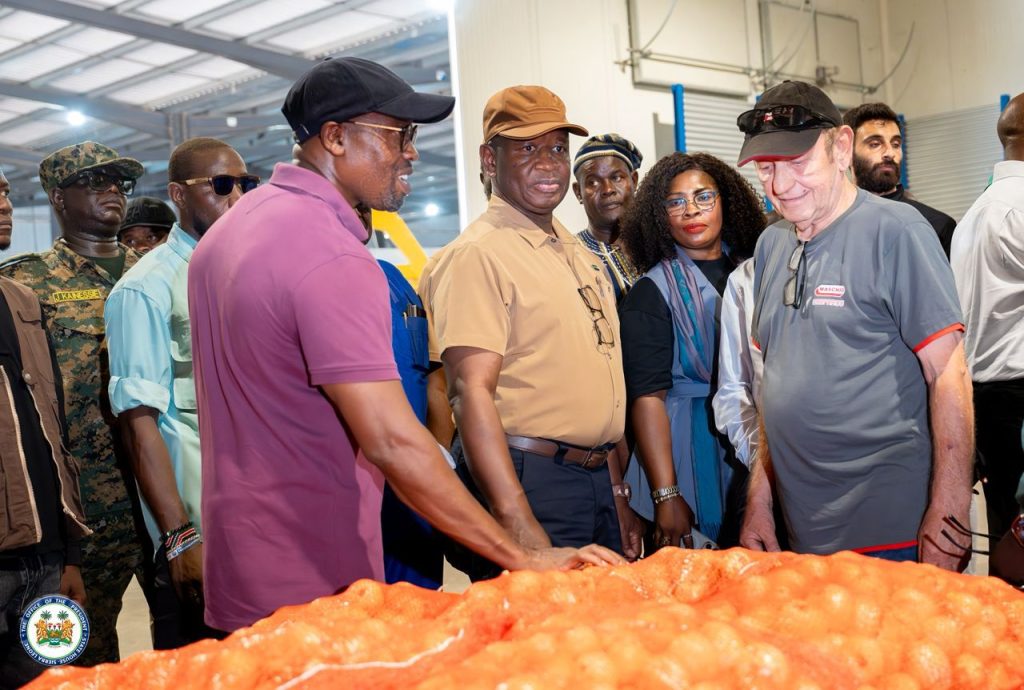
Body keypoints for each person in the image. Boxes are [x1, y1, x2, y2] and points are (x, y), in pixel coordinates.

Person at [187, 58, 621, 632]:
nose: (412, 153)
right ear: (335, 138)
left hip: (245, 564)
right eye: (400, 135)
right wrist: (521, 552)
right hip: (316, 576)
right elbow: (392, 439)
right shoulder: (331, 255)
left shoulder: (225, 237)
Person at [736, 81, 974, 571]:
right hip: (800, 532)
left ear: (841, 148)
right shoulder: (770, 246)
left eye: (799, 163)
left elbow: (949, 374)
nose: (781, 186)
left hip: (893, 531)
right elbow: (772, 385)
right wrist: (759, 503)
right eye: (766, 169)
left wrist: (950, 511)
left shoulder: (898, 232)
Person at [425, 85, 640, 579]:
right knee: (542, 645)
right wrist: (518, 523)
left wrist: (619, 495)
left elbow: (603, 389)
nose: (548, 163)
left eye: (558, 149)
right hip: (531, 480)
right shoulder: (478, 255)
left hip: (597, 477)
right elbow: (467, 393)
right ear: (488, 158)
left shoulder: (578, 254)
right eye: (526, 148)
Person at [0, 141, 146, 664]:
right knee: (80, 654)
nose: (111, 190)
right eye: (95, 181)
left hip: (167, 502)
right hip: (86, 510)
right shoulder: (25, 283)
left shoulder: (157, 274)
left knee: (187, 625)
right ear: (58, 197)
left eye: (119, 182)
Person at [105, 138, 255, 647]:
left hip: (259, 517)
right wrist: (178, 538)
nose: (236, 197)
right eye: (220, 185)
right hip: (200, 527)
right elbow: (140, 423)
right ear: (178, 193)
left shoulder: (247, 272)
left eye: (245, 184)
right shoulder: (145, 288)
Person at [618, 152, 764, 551]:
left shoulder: (754, 273)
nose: (691, 211)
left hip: (754, 436)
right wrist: (667, 494)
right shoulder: (651, 292)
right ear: (660, 215)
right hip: (688, 446)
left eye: (703, 197)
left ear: (725, 202)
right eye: (676, 201)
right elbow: (647, 399)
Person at [0, 166, 89, 690]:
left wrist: (67, 554)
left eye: (7, 192)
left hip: (44, 565)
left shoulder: (22, 301)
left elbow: (53, 431)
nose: (5, 204)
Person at [950, 91, 1024, 539]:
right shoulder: (1018, 207)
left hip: (987, 399)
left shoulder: (977, 211)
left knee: (1007, 536)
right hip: (1017, 401)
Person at [842, 102, 957, 257]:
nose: (889, 153)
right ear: (846, 153)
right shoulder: (832, 225)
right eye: (875, 144)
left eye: (896, 144)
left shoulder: (936, 226)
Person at [571, 133, 643, 302]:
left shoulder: (659, 246)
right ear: (578, 192)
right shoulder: (571, 257)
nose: (607, 189)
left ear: (634, 181)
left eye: (617, 178)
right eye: (593, 182)